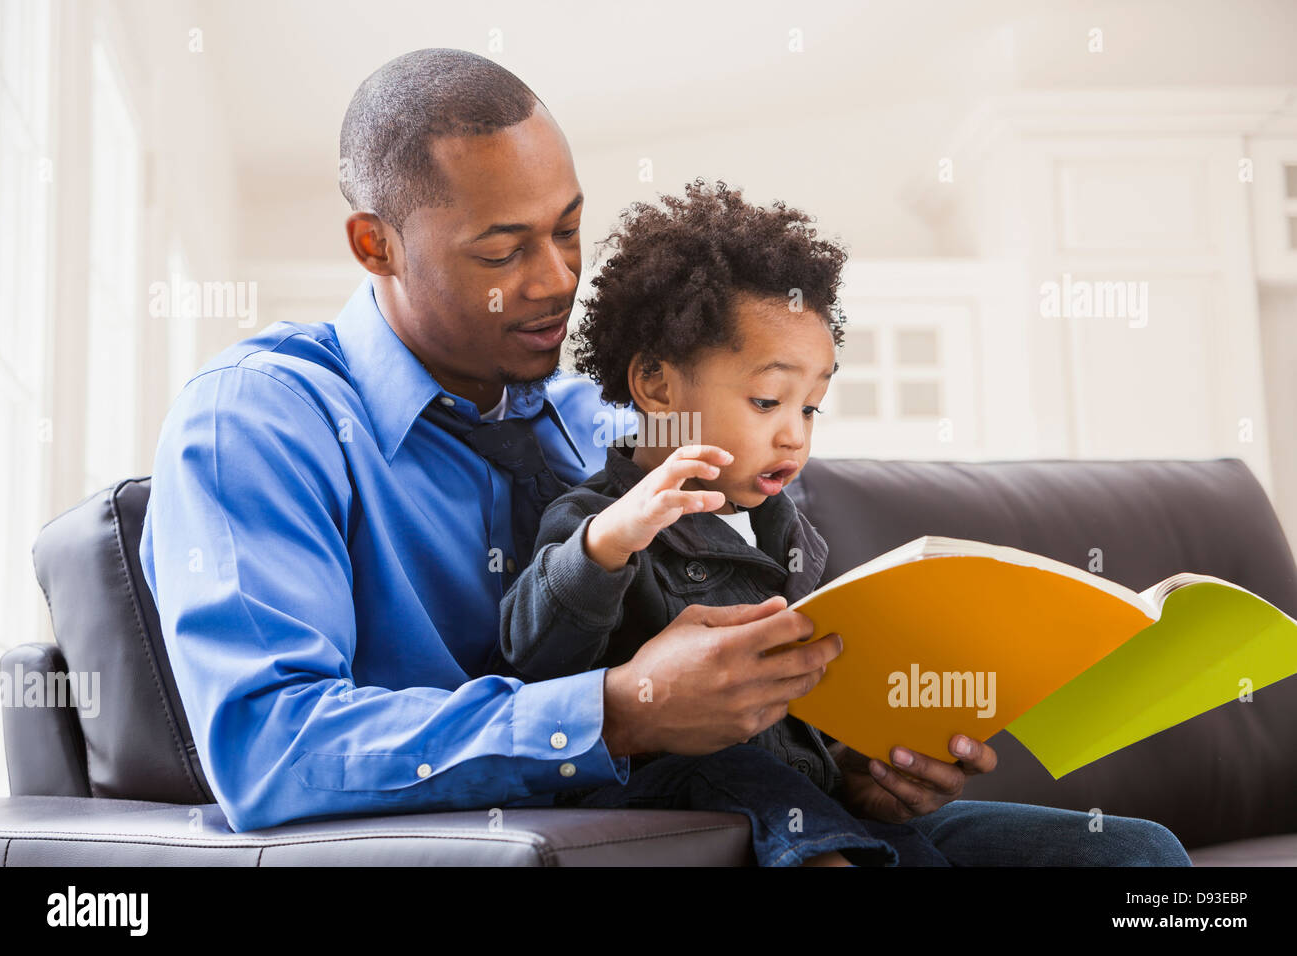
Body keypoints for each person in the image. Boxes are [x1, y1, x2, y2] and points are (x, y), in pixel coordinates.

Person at [138, 47, 1189, 866]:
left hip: (754, 812)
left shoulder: (610, 423)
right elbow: (268, 749)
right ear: (375, 245)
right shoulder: (259, 420)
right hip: (581, 833)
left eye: (570, 228)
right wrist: (624, 708)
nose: (554, 280)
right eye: (503, 250)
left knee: (1135, 860)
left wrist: (859, 767)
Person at [494, 180, 1195, 866]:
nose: (795, 436)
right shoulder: (599, 519)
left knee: (1138, 848)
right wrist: (606, 546)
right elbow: (536, 655)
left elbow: (808, 732)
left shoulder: (786, 532)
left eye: (811, 408)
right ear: (656, 384)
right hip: (687, 802)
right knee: (734, 771)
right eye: (768, 401)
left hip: (822, 809)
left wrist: (872, 768)